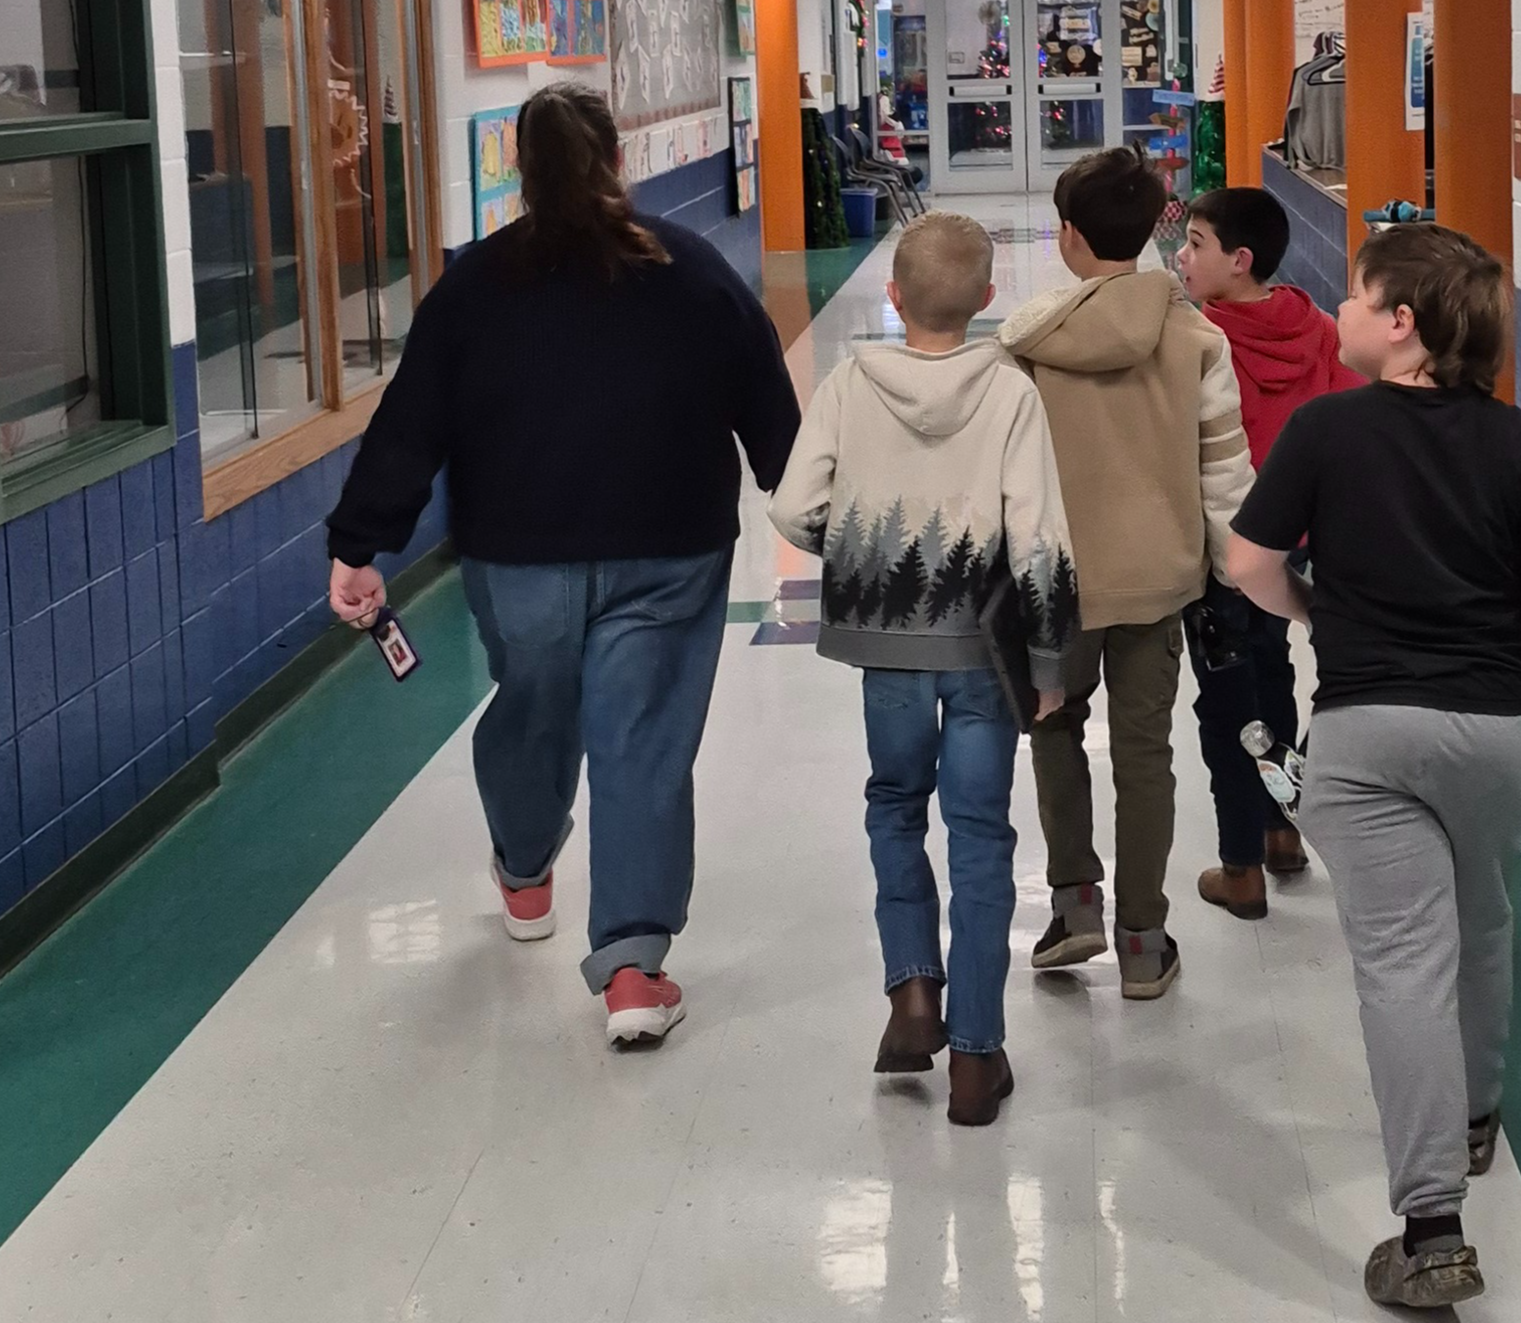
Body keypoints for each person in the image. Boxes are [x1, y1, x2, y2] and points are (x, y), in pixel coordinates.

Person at [325, 83, 801, 1049]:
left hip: (521, 554)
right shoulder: (692, 268)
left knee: (532, 702)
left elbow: (411, 421)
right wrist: (809, 505)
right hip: (670, 547)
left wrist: (359, 543)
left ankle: (526, 866)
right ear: (616, 162)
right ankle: (632, 966)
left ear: (519, 174)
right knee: (643, 742)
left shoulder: (474, 287)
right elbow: (766, 395)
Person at [1227, 224, 1521, 1311]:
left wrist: (1320, 613)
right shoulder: (1519, 442)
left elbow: (1249, 562)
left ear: (1401, 325)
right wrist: (1496, 621)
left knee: (1402, 959)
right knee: (1479, 918)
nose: (1339, 312)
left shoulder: (1324, 430)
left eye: (1355, 297)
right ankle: (1477, 1111)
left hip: (1364, 731)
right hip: (1495, 727)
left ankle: (1432, 1225)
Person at [769, 213, 1078, 1124]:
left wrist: (862, 559)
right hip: (984, 655)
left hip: (889, 655)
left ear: (893, 296)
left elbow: (792, 508)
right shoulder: (1012, 390)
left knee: (894, 807)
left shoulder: (849, 383)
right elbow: (1039, 536)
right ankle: (977, 1059)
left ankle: (912, 994)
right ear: (989, 300)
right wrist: (1051, 660)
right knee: (980, 833)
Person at [1002, 147, 1254, 1002]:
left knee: (1054, 729)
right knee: (1145, 754)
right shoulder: (1197, 339)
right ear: (1157, 229)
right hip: (1159, 578)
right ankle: (1143, 942)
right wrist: (1235, 577)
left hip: (1055, 588)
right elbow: (1224, 476)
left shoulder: (1027, 338)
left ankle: (1072, 906)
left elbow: (1001, 470)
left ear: (1069, 238)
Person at [1172, 187, 1363, 918]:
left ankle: (1241, 863)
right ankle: (1284, 827)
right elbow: (1347, 423)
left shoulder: (1198, 340)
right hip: (1297, 542)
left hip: (1226, 543)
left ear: (1238, 259)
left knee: (1227, 698)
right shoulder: (1316, 327)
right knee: (1275, 668)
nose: (1183, 257)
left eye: (1195, 242)